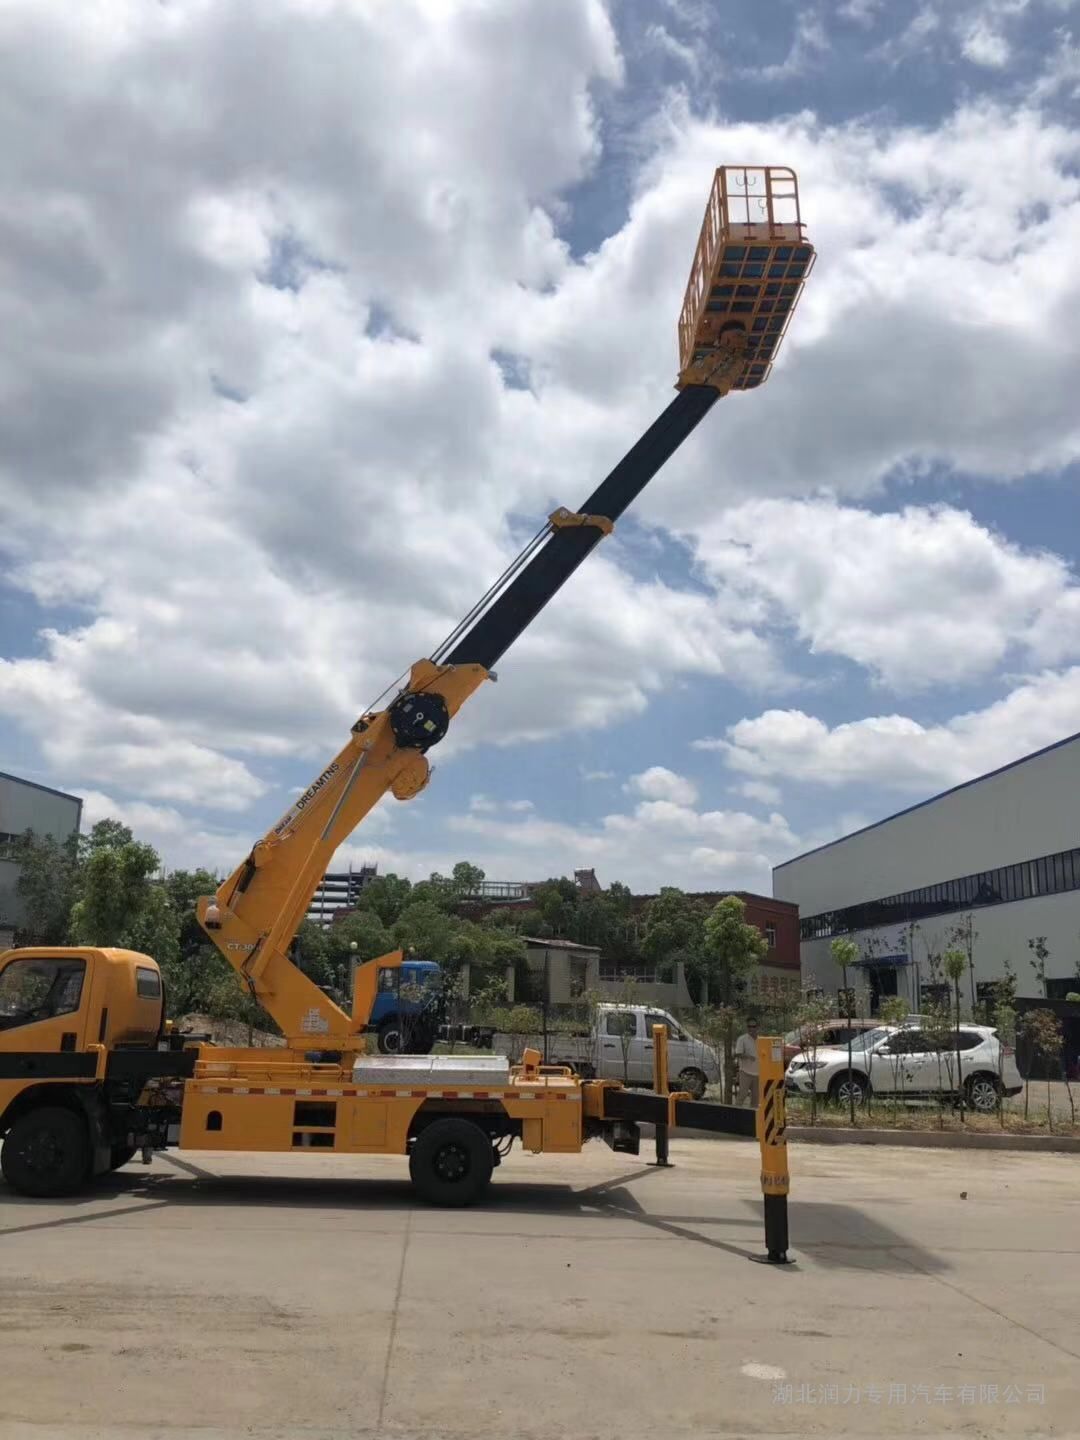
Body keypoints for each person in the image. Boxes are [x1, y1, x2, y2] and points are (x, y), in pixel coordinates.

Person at [735, 1018, 760, 1108]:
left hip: (758, 1074)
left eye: (753, 1026)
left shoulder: (762, 1040)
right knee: (742, 1095)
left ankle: (753, 1118)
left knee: (756, 1098)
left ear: (758, 1027)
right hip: (745, 1072)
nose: (751, 1029)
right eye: (749, 1026)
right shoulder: (742, 1039)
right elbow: (738, 1054)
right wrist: (748, 1056)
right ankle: (735, 1114)